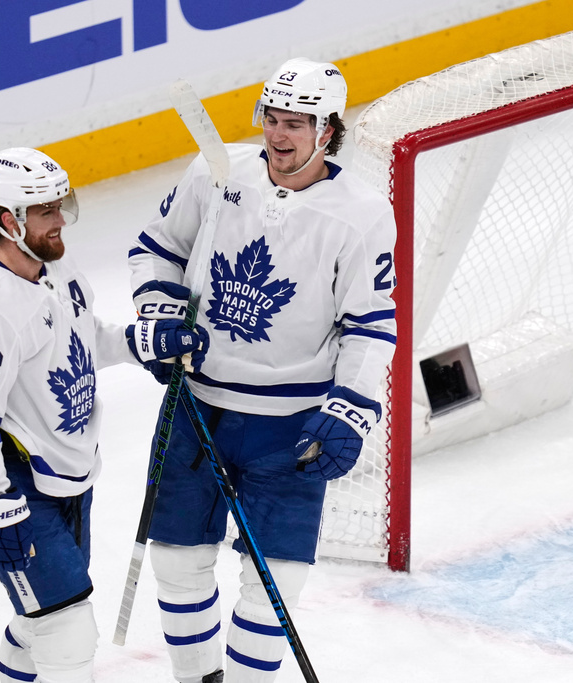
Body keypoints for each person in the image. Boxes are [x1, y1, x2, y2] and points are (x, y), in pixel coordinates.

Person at [127, 58, 397, 683]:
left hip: (290, 424)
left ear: (327, 131)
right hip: (199, 407)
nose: (278, 135)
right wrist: (159, 313)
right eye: (271, 119)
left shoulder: (360, 212)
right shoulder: (217, 174)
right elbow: (156, 251)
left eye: (296, 123)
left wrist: (350, 408)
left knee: (276, 581)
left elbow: (370, 323)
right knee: (176, 560)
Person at [0, 147, 207, 683]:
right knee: (68, 632)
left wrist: (138, 341)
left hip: (67, 471)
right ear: (7, 221)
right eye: (45, 211)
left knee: (41, 619)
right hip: (15, 482)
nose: (61, 220)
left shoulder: (54, 265)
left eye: (61, 204)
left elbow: (77, 340)